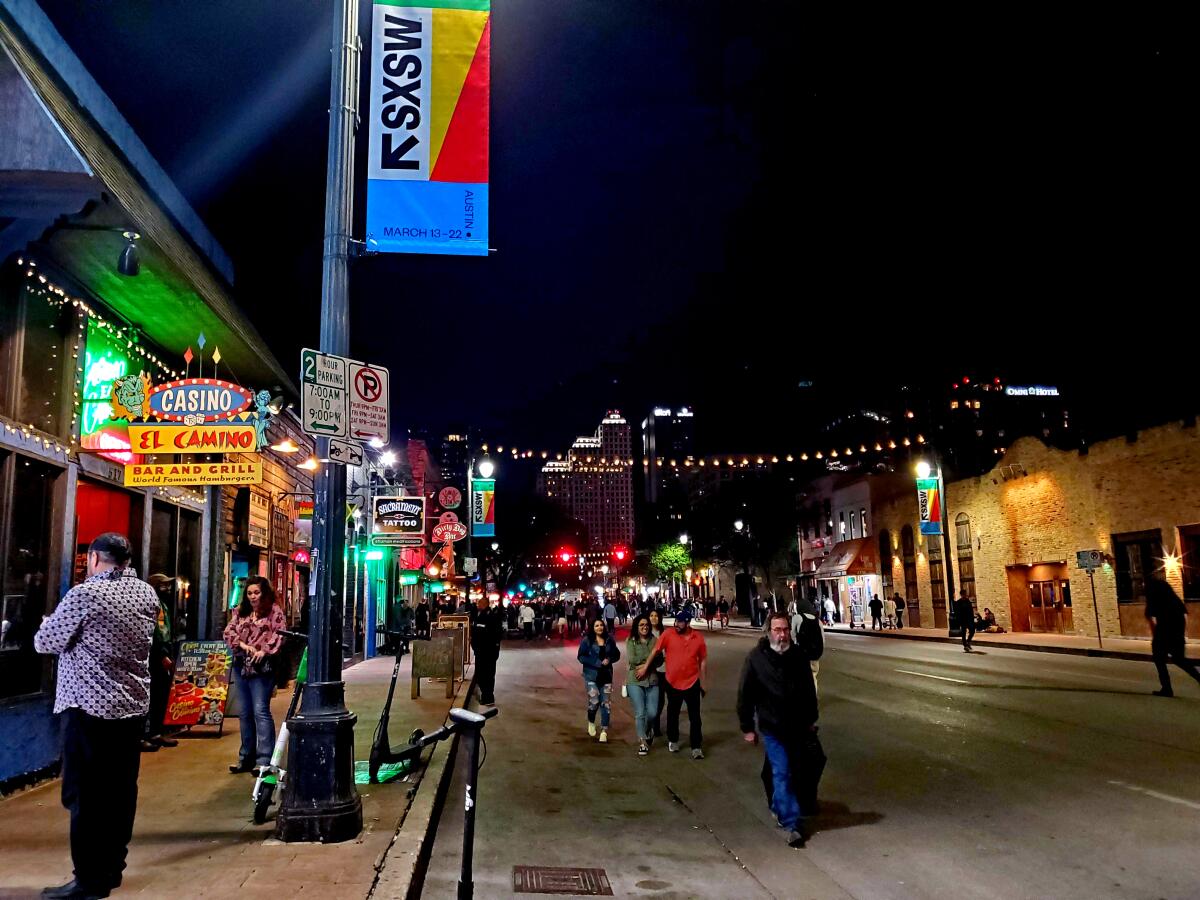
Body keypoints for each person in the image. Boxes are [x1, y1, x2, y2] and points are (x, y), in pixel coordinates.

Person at [34, 532, 158, 899]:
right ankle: (111, 870)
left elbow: (47, 642)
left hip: (88, 709)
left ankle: (88, 878)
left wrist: (47, 622)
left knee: (84, 796)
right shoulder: (147, 593)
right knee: (120, 792)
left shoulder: (86, 594)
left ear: (93, 559)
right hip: (131, 708)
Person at [738, 612, 820, 849]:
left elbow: (808, 691)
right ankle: (793, 823)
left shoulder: (798, 657)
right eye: (777, 630)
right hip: (772, 727)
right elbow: (746, 695)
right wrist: (747, 727)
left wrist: (811, 719)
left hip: (797, 727)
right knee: (782, 772)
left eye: (785, 630)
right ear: (768, 632)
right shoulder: (756, 659)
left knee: (794, 771)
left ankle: (779, 805)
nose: (782, 634)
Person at [223, 576, 286, 775]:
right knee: (245, 713)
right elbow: (228, 632)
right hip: (242, 664)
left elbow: (280, 634)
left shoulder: (274, 611)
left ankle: (265, 760)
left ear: (264, 593)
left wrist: (264, 651)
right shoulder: (241, 612)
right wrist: (243, 645)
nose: (253, 597)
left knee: (260, 710)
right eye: (249, 593)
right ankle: (245, 758)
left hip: (262, 668)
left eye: (256, 593)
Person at [639, 607, 707, 759]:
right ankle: (673, 739)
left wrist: (704, 682)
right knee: (672, 713)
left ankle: (696, 746)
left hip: (692, 681)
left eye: (680, 622)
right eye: (676, 621)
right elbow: (655, 651)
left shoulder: (698, 638)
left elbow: (703, 660)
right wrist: (645, 667)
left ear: (688, 623)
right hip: (672, 681)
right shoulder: (668, 634)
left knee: (695, 716)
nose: (677, 624)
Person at [1145, 576, 1200, 697]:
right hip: (1177, 632)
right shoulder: (1174, 599)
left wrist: (1157, 638)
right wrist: (1181, 633)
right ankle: (1198, 677)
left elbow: (1152, 620)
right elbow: (1184, 616)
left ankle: (1167, 688)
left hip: (1163, 632)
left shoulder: (1154, 598)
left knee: (1159, 659)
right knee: (1180, 659)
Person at [141, 574, 178, 752]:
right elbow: (151, 633)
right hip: (151, 657)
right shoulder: (148, 605)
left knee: (161, 696)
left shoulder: (163, 605)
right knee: (148, 696)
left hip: (164, 653)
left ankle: (157, 731)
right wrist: (161, 654)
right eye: (163, 585)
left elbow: (166, 630)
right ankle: (143, 735)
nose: (167, 589)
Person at [578, 618, 620, 742]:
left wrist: (609, 659)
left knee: (605, 704)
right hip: (591, 676)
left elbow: (616, 654)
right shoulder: (587, 641)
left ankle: (604, 731)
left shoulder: (609, 640)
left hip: (606, 676)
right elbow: (580, 656)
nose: (600, 627)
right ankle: (591, 721)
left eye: (601, 625)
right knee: (594, 701)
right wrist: (596, 662)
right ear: (592, 628)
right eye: (597, 625)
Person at [625, 614, 660, 755]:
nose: (644, 627)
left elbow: (660, 660)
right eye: (641, 625)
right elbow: (633, 660)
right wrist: (650, 657)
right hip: (635, 680)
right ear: (636, 627)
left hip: (652, 679)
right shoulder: (631, 641)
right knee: (640, 712)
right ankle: (642, 742)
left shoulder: (654, 640)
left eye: (646, 625)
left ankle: (647, 730)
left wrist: (646, 664)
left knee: (652, 712)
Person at [472, 597, 504, 705]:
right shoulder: (479, 615)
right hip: (480, 651)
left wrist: (495, 649)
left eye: (479, 603)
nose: (477, 605)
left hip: (487, 652)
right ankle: (486, 695)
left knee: (487, 675)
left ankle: (488, 697)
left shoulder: (490, 617)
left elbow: (495, 635)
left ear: (484, 604)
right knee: (481, 674)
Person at [790, 595, 825, 694]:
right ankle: (813, 698)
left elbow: (792, 635)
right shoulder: (818, 621)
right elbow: (822, 639)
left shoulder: (797, 617)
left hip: (802, 653)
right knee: (813, 675)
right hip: (815, 653)